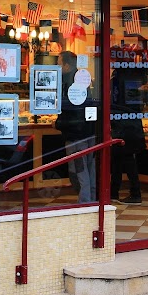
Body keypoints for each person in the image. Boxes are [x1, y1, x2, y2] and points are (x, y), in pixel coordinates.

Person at [54, 51, 97, 203]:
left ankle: (86, 202)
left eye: (59, 63)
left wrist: (59, 123)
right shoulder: (82, 80)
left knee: (78, 170)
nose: (57, 66)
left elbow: (70, 111)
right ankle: (92, 200)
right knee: (88, 169)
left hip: (76, 135)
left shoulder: (66, 82)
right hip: (89, 132)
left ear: (66, 65)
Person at [109, 68, 147, 204]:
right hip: (133, 125)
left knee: (126, 160)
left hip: (122, 126)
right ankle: (114, 192)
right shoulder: (137, 81)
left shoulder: (116, 81)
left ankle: (135, 194)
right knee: (120, 159)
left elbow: (112, 103)